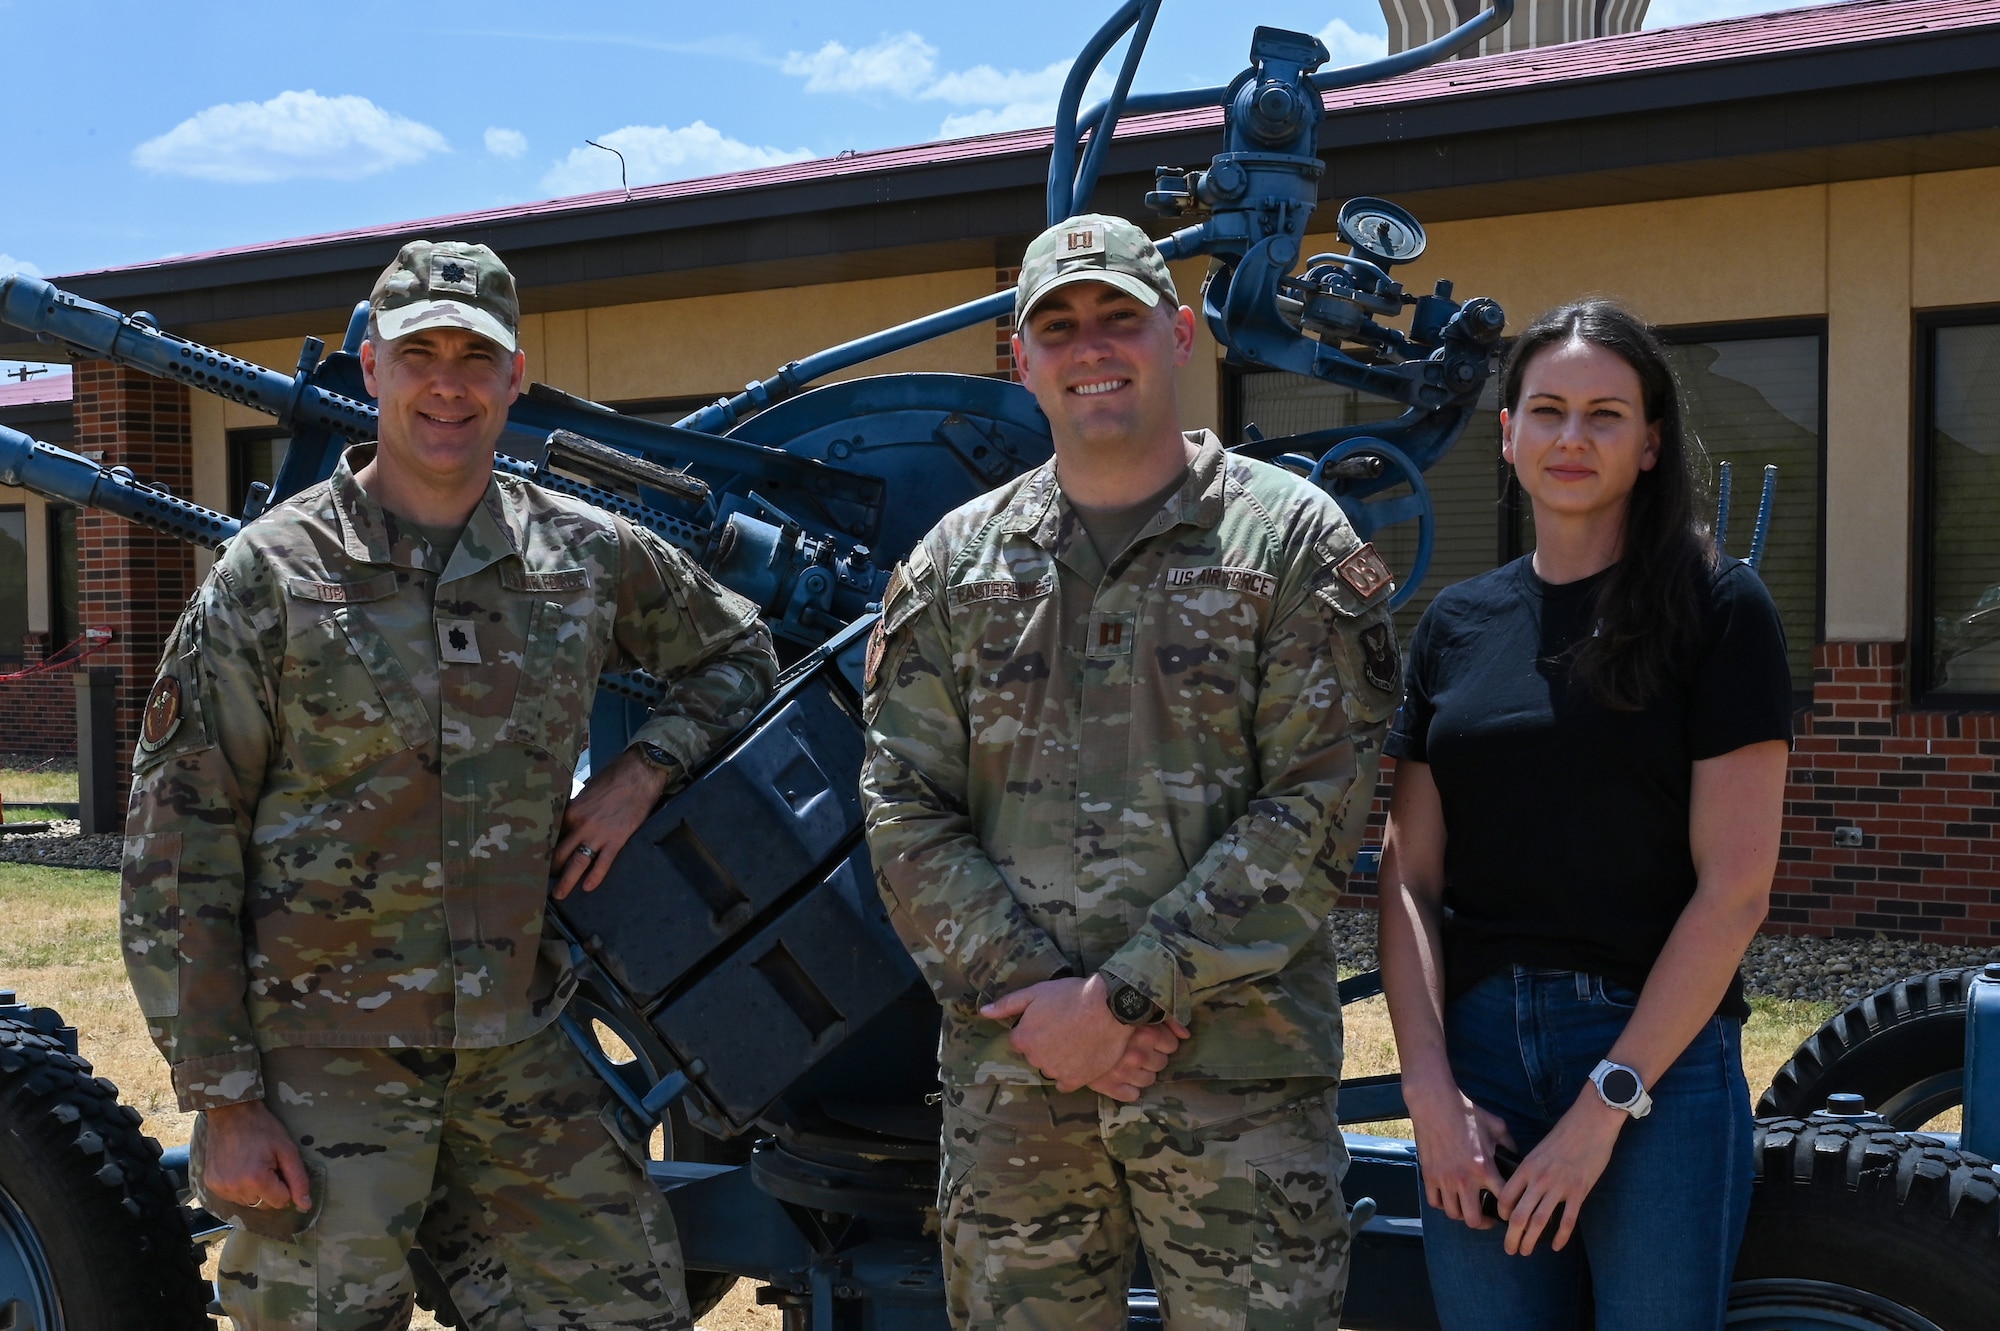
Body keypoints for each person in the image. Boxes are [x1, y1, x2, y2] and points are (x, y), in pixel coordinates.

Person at [120, 239, 778, 1330]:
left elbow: (738, 651)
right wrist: (225, 1102)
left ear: (516, 375)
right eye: (419, 350)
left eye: (476, 354)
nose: (448, 381)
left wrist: (639, 768)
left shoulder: (579, 553)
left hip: (516, 1044)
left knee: (620, 1308)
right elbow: (177, 846)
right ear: (370, 367)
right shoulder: (272, 575)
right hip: (326, 1054)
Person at [859, 213, 1401, 1331]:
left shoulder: (1288, 541)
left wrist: (1120, 997)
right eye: (1056, 325)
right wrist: (1047, 1005)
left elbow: (1318, 797)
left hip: (1233, 1083)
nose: (1088, 344)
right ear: (1020, 358)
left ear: (1181, 335)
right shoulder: (956, 564)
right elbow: (901, 800)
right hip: (1021, 1082)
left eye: (1118, 315)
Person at [1376, 298, 1794, 1329]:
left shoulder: (1719, 609)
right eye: (1547, 410)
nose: (1571, 438)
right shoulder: (1453, 627)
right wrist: (1428, 1093)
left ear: (1650, 443)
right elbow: (1407, 876)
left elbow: (1733, 889)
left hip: (1652, 1059)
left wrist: (1604, 1104)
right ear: (1507, 431)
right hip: (1474, 1063)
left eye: (1604, 415)